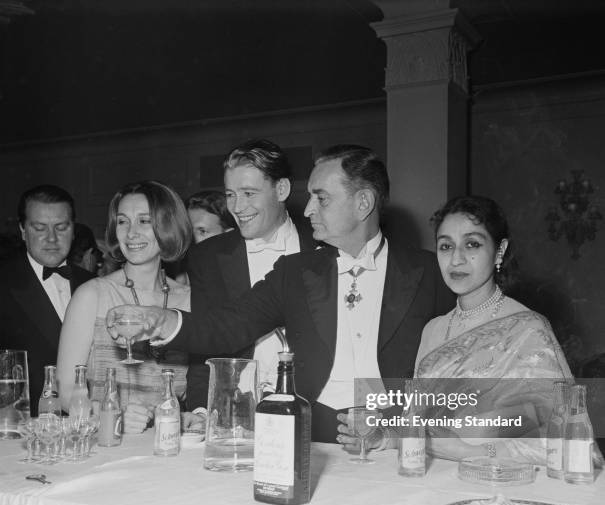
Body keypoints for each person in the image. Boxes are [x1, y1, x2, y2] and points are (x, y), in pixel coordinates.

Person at [108, 145, 453, 443]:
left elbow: (455, 372)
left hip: (397, 440)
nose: (307, 210)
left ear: (363, 203)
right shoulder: (296, 272)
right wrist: (162, 321)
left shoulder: (430, 272)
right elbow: (228, 326)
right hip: (310, 434)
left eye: (322, 198)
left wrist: (399, 433)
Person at [412, 195, 575, 464]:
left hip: (502, 483)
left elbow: (566, 441)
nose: (456, 259)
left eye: (472, 244)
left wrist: (471, 453)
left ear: (499, 251)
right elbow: (416, 423)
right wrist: (388, 436)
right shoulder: (432, 330)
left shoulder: (528, 328)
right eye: (445, 246)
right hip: (431, 477)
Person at [185, 139, 316, 410]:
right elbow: (203, 349)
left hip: (311, 407)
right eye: (231, 194)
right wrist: (200, 411)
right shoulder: (207, 257)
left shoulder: (322, 248)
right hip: (235, 408)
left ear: (281, 189)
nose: (237, 207)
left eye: (248, 193)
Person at [57, 180, 191, 432]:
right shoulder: (92, 295)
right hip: (107, 447)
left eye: (144, 221)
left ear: (168, 225)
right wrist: (111, 417)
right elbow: (66, 392)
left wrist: (191, 417)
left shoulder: (190, 300)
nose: (130, 233)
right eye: (122, 221)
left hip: (170, 447)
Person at [0, 185, 94, 414]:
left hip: (86, 426)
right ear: (23, 230)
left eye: (61, 227)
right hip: (20, 431)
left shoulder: (94, 284)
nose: (52, 238)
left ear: (73, 229)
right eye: (40, 228)